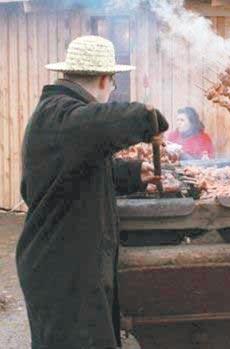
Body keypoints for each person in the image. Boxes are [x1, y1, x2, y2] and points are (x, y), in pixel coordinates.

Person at [16, 35, 169, 349]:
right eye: (113, 84)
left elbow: (75, 174)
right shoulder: (62, 115)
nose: (111, 93)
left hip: (64, 263)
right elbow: (100, 124)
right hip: (63, 270)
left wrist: (132, 174)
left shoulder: (58, 117)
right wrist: (148, 118)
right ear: (104, 79)